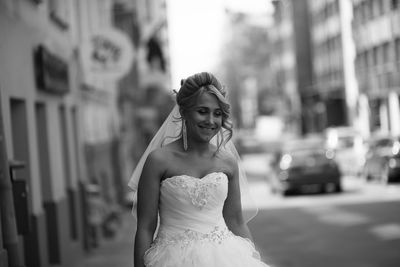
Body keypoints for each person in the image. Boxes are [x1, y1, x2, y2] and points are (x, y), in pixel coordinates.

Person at [129, 72, 270, 267]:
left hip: (227, 257)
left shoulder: (228, 162)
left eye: (218, 113)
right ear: (184, 112)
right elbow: (145, 226)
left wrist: (252, 259)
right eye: (202, 111)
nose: (211, 120)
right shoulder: (158, 160)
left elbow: (236, 221)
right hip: (171, 259)